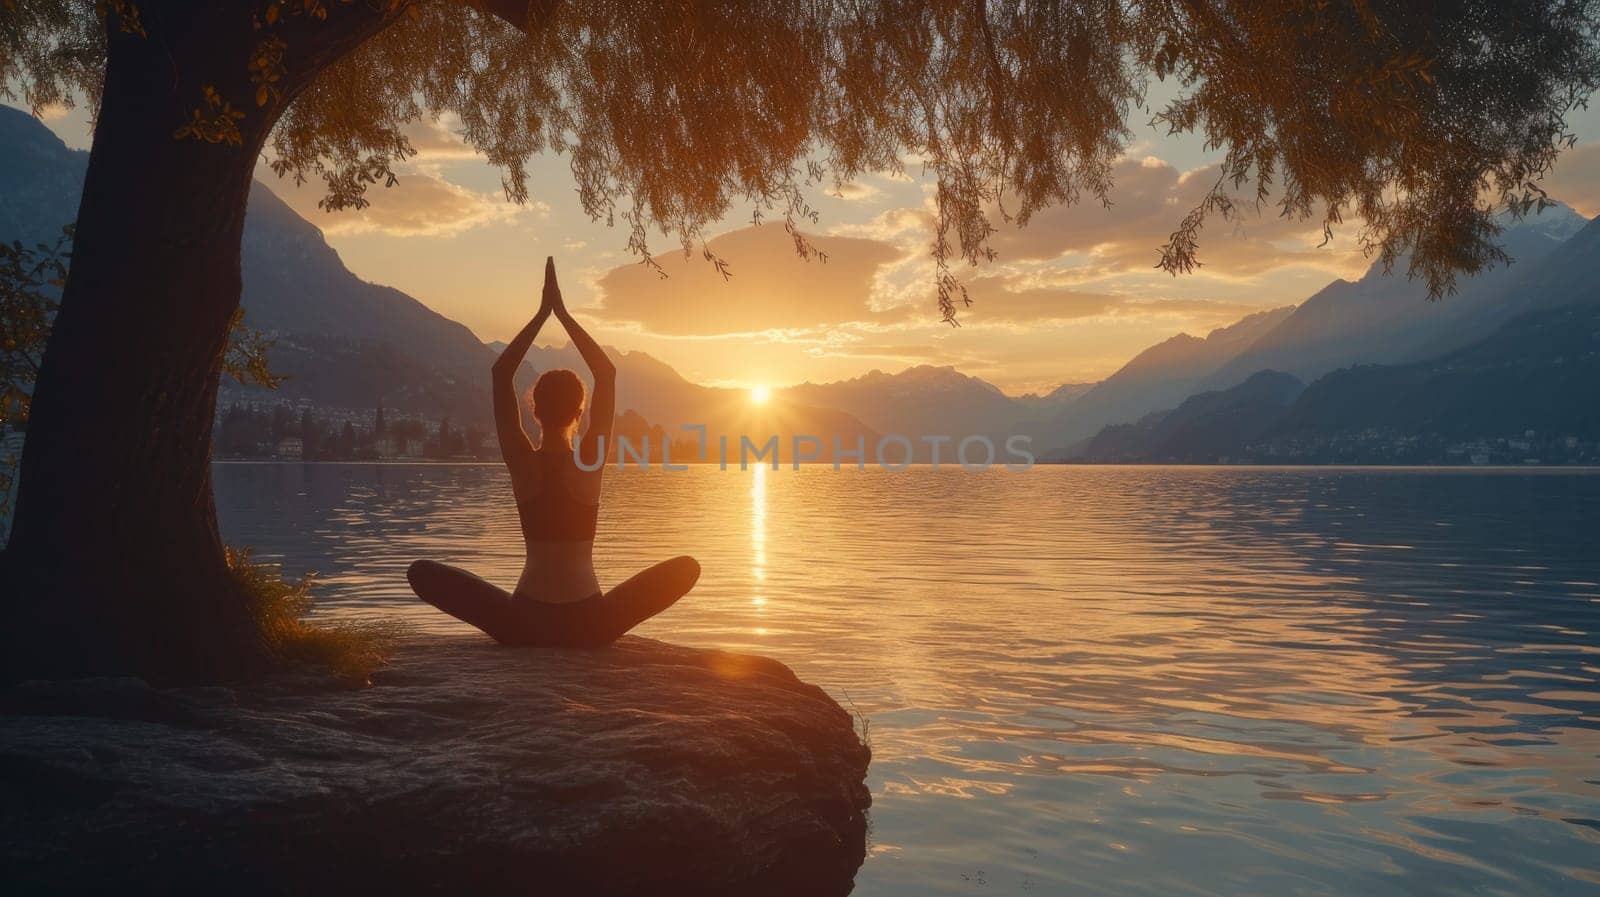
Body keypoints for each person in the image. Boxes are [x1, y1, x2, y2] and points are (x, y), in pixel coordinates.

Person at [407, 257, 700, 647]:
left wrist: (542, 314)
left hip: (524, 622)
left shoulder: (522, 461)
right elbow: (607, 375)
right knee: (686, 569)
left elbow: (500, 375)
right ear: (581, 412)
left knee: (421, 572)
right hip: (590, 624)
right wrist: (563, 313)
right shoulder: (588, 461)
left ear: (534, 410)